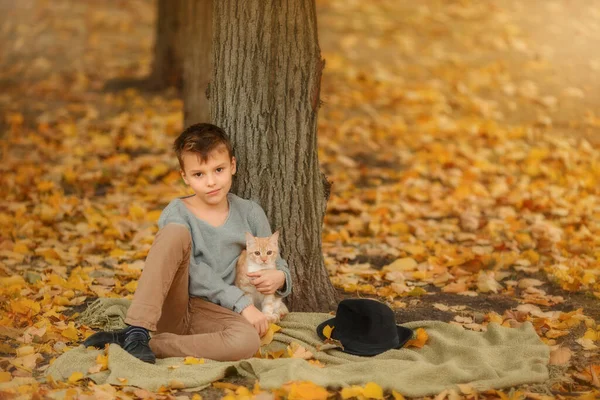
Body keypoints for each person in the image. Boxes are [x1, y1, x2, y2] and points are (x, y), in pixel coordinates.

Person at [83, 123, 292, 363]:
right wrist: (242, 303)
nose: (211, 182)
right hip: (177, 305)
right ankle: (137, 328)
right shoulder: (178, 212)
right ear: (185, 177)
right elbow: (194, 271)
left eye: (219, 170)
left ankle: (144, 344)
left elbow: (276, 258)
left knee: (247, 341)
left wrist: (281, 278)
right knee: (174, 234)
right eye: (199, 174)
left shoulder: (250, 212)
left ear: (232, 166)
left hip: (217, 313)